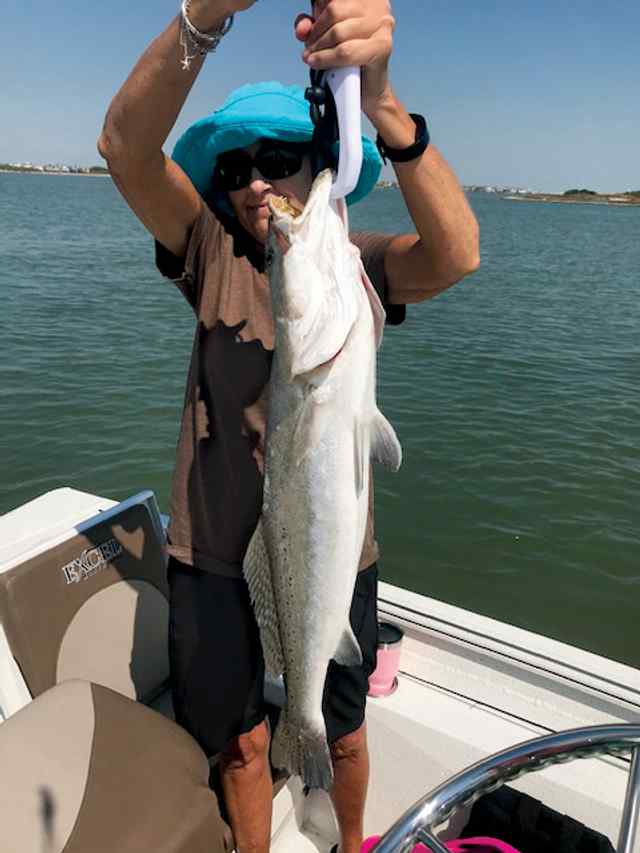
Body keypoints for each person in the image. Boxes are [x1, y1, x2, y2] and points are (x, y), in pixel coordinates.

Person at [98, 2, 480, 853]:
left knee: (340, 732)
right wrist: (204, 16)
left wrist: (383, 108)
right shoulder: (212, 250)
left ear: (323, 165)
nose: (254, 181)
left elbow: (456, 255)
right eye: (236, 166)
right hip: (212, 558)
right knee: (239, 744)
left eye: (278, 158)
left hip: (331, 551)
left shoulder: (353, 265)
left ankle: (351, 844)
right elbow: (124, 149)